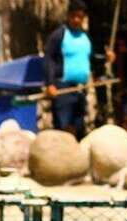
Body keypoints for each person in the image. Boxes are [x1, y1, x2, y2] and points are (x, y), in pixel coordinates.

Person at [43, 0, 115, 138]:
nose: (76, 20)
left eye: (80, 17)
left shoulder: (85, 36)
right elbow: (49, 59)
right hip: (62, 88)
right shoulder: (59, 35)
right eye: (74, 16)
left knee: (79, 128)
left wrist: (106, 58)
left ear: (83, 18)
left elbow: (91, 59)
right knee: (64, 130)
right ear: (68, 16)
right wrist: (50, 83)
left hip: (81, 89)